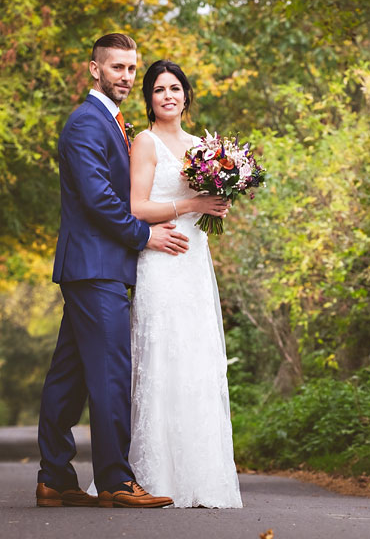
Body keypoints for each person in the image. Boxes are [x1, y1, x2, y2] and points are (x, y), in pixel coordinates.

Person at [36, 34, 189, 509]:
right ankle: (116, 482)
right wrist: (146, 236)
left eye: (130, 68)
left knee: (71, 375)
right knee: (110, 376)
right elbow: (99, 199)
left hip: (97, 267)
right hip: (95, 266)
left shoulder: (114, 124)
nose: (125, 76)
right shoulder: (85, 123)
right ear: (94, 70)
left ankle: (55, 479)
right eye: (116, 67)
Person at [126, 59, 243, 508]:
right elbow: (136, 207)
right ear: (150, 99)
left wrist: (217, 205)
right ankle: (156, 474)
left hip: (194, 261)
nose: (168, 96)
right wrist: (191, 202)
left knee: (197, 359)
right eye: (158, 90)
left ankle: (201, 476)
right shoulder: (146, 141)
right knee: (161, 355)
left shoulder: (203, 146)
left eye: (175, 88)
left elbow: (208, 204)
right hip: (160, 259)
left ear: (187, 95)